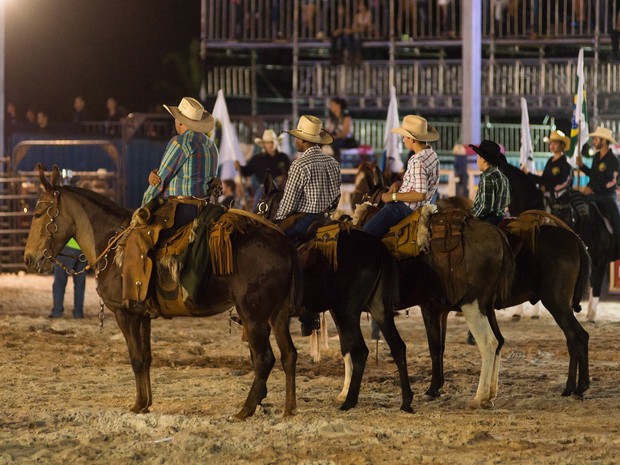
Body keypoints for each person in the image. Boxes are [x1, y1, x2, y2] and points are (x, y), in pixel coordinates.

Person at [143, 96, 218, 227]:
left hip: (182, 210)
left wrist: (144, 205)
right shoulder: (211, 145)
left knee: (138, 239)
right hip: (206, 209)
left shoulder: (180, 143)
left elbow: (160, 181)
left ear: (181, 122)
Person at [362, 114, 440, 239]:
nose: (403, 140)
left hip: (404, 208)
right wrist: (399, 184)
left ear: (412, 139)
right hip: (422, 206)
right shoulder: (432, 154)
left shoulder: (417, 160)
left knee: (365, 234)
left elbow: (420, 194)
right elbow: (421, 182)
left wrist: (392, 197)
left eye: (405, 137)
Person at [275, 115, 340, 240]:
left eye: (296, 138)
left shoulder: (299, 165)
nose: (295, 141)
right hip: (325, 218)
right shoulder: (333, 163)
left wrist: (279, 220)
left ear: (303, 140)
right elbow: (336, 196)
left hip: (306, 220)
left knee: (278, 239)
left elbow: (289, 202)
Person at [576, 126, 620, 258]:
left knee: (616, 217)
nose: (593, 141)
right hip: (594, 195)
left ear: (604, 141)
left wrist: (593, 189)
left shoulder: (613, 160)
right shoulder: (596, 157)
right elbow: (593, 175)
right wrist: (582, 167)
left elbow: (611, 182)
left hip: (607, 196)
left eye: (595, 139)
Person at [235, 129, 290, 211]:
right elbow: (247, 172)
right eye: (268, 143)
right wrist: (239, 167)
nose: (270, 145)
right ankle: (254, 215)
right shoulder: (257, 159)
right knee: (256, 208)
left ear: (276, 142)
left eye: (272, 142)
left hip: (282, 188)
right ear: (264, 144)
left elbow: (291, 173)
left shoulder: (283, 157)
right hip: (264, 190)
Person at [521, 130, 573, 202]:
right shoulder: (550, 160)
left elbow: (563, 183)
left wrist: (547, 188)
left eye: (555, 143)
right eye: (551, 143)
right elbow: (544, 179)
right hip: (545, 194)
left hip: (557, 198)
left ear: (562, 145)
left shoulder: (566, 163)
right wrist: (528, 174)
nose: (552, 145)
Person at [469, 140, 511, 225]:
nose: (477, 160)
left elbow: (485, 207)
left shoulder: (487, 177)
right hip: (501, 218)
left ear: (483, 159)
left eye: (478, 157)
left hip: (488, 221)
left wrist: (469, 215)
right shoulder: (503, 177)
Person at [48, 238, 87, 319]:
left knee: (59, 283)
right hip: (83, 249)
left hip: (66, 249)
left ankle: (57, 312)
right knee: (80, 284)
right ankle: (78, 312)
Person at [324, 97, 356, 163]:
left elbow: (345, 133)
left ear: (338, 106)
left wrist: (334, 137)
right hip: (333, 138)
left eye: (332, 105)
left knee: (335, 144)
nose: (331, 107)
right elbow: (327, 130)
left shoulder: (346, 118)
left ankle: (337, 163)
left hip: (345, 140)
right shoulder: (331, 118)